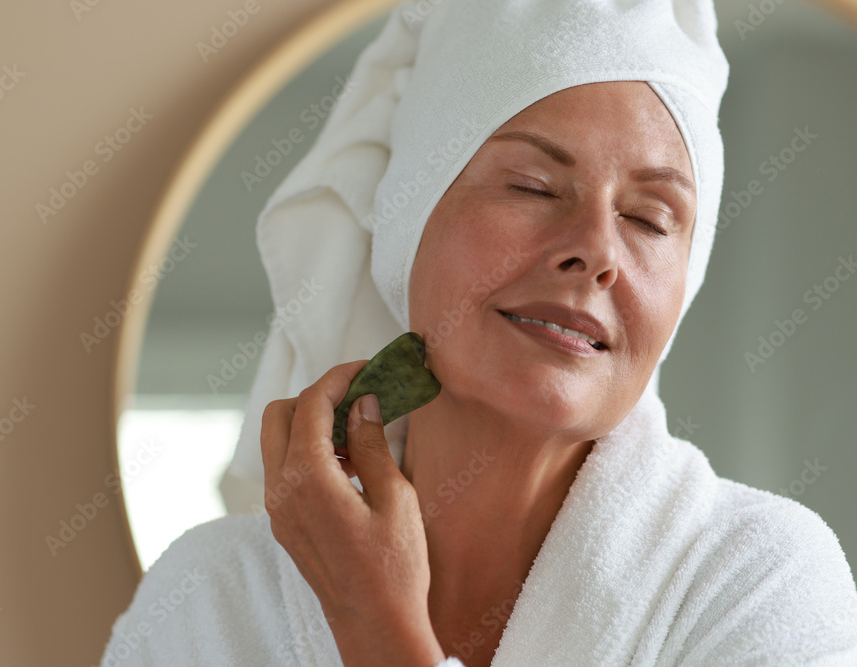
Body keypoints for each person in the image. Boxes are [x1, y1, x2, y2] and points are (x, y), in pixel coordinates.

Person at [99, 0, 857, 665]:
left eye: (649, 218)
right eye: (531, 186)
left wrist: (378, 628)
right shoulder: (206, 602)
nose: (596, 249)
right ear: (407, 224)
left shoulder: (759, 580)